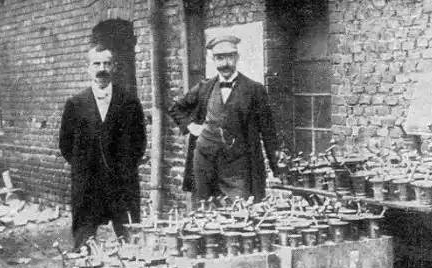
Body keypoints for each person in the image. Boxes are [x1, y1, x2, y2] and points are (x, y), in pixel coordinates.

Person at [168, 35, 280, 204]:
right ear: (213, 60)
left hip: (238, 166)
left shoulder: (255, 89)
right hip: (204, 161)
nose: (225, 63)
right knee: (203, 209)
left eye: (229, 57)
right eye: (220, 58)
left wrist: (277, 168)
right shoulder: (204, 87)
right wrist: (190, 126)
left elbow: (268, 132)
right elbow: (176, 108)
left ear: (237, 57)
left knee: (241, 209)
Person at [59, 44, 147, 249]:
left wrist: (124, 167)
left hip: (122, 184)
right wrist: (84, 167)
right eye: (96, 64)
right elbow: (65, 144)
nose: (102, 69)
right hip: (88, 184)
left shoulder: (130, 101)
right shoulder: (75, 103)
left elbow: (139, 142)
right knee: (84, 241)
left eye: (107, 64)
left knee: (130, 239)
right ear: (88, 68)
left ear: (114, 67)